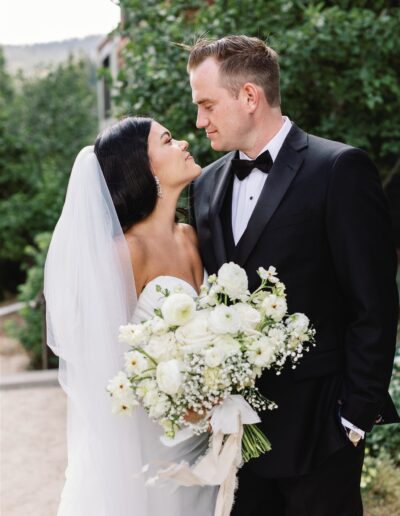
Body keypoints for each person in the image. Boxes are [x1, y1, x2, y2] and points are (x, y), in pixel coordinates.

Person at [188, 35, 399, 516]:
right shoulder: (204, 186)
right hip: (237, 437)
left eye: (207, 105)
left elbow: (375, 305)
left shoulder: (338, 169)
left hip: (321, 433)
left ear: (248, 96)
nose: (200, 121)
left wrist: (353, 418)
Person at [44, 116, 217, 515]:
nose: (184, 143)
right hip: (153, 445)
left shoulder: (192, 235)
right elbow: (105, 366)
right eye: (169, 141)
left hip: (210, 435)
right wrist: (177, 398)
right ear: (144, 167)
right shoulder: (126, 254)